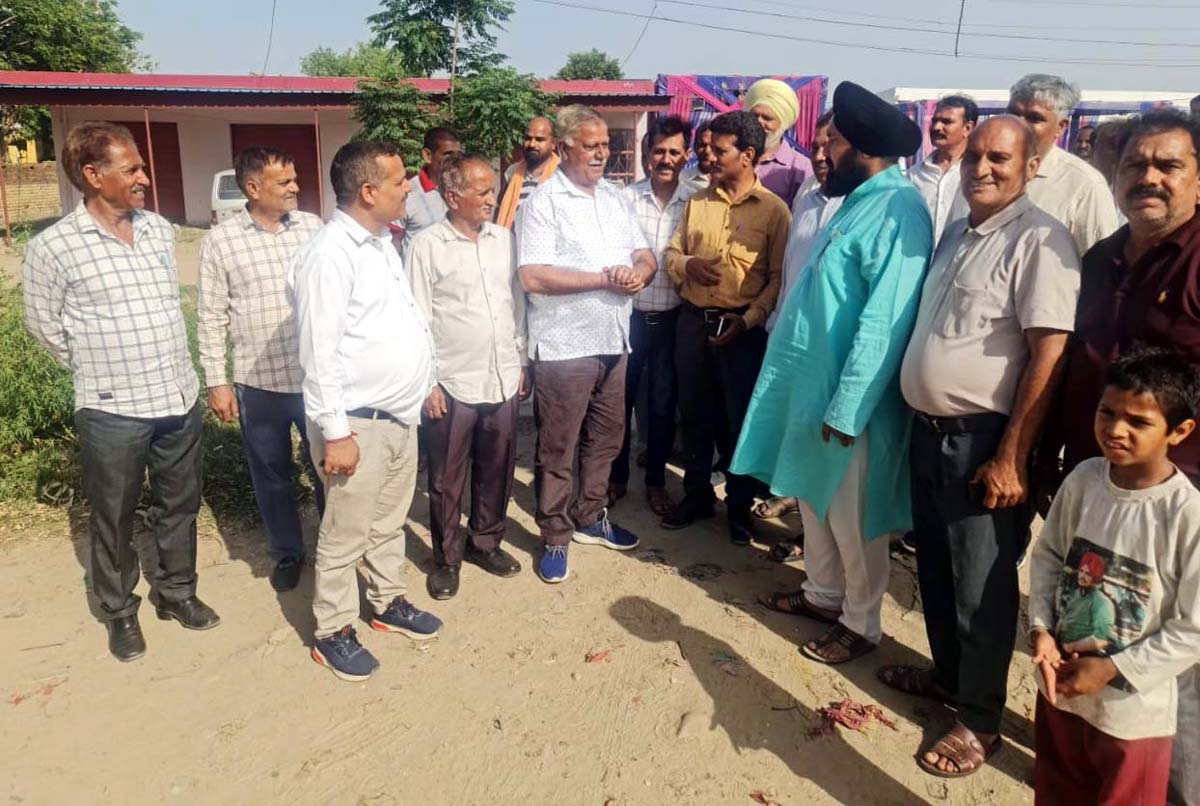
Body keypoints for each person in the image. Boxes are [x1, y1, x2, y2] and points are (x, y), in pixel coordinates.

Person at [880, 115, 1081, 778]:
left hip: (983, 443)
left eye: (1000, 159)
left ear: (1029, 168)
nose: (983, 170)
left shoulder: (1041, 241)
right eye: (974, 159)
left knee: (982, 590)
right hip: (930, 436)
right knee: (934, 571)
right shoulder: (958, 232)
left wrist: (1012, 454)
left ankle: (980, 721)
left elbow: (1049, 349)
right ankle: (949, 679)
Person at [736, 81, 931, 665]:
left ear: (864, 148)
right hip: (812, 388)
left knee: (853, 517)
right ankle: (821, 595)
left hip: (853, 403)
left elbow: (884, 321)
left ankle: (860, 622)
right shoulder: (857, 200)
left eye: (833, 142)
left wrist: (848, 408)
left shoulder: (900, 209)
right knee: (814, 501)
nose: (822, 153)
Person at [1037, 108, 1200, 805]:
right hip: (1099, 489)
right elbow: (1074, 364)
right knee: (1091, 626)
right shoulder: (1102, 258)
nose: (1150, 178)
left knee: (1176, 684)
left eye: (1169, 165)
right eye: (1136, 165)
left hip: (1181, 501)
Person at [23, 122, 219, 662]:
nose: (144, 177)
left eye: (140, 166)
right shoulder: (55, 247)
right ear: (92, 175)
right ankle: (119, 612)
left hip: (176, 396)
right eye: (130, 168)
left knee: (180, 504)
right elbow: (44, 327)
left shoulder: (157, 229)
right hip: (112, 408)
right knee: (114, 514)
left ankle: (177, 591)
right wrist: (97, 366)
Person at [290, 141, 443, 682]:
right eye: (401, 180)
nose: (410, 187)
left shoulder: (380, 243)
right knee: (345, 531)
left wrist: (422, 383)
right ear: (368, 191)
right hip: (356, 423)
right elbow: (319, 353)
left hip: (398, 417)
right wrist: (336, 434)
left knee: (386, 522)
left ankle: (387, 602)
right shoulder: (329, 254)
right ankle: (332, 630)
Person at [1030, 350, 1200, 806]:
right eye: (1107, 413)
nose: (1115, 429)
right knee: (1055, 788)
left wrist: (1112, 669)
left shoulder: (1186, 514)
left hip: (1133, 716)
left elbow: (1193, 628)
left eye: (1139, 422)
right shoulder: (1085, 479)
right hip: (1060, 690)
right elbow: (1048, 556)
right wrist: (1041, 628)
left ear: (1179, 431)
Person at [516, 104, 656, 584]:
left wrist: (638, 272)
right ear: (563, 147)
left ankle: (590, 516)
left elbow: (643, 254)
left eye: (606, 145)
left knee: (606, 439)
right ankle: (554, 533)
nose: (603, 153)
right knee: (558, 448)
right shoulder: (543, 203)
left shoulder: (614, 199)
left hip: (614, 342)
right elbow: (532, 275)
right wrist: (602, 278)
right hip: (564, 347)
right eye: (592, 145)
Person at [197, 146, 325, 593]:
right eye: (284, 182)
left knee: (328, 465)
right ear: (253, 188)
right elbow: (211, 315)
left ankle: (335, 547)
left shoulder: (313, 228)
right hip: (260, 380)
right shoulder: (221, 241)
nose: (295, 187)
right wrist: (216, 380)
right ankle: (288, 552)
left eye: (294, 179)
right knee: (272, 474)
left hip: (315, 378)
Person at [660, 111, 791, 544]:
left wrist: (749, 319)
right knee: (694, 415)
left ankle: (738, 508)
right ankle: (696, 495)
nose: (709, 157)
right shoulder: (697, 202)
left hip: (742, 332)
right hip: (693, 326)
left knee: (738, 423)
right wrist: (688, 266)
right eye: (710, 149)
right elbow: (671, 255)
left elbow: (777, 279)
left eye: (720, 150)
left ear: (748, 155)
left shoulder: (775, 212)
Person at [408, 154, 530, 600]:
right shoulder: (426, 246)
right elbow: (417, 317)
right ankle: (446, 558)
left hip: (501, 375)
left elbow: (515, 303)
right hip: (452, 382)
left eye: (492, 189)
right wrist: (428, 382)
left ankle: (486, 541)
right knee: (445, 477)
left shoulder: (504, 240)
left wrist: (521, 360)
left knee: (497, 466)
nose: (491, 198)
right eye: (481, 191)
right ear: (453, 196)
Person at [755, 109, 843, 562]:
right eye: (819, 145)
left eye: (831, 145)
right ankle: (810, 544)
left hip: (832, 354)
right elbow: (790, 269)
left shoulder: (865, 205)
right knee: (799, 447)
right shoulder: (808, 194)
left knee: (828, 462)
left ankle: (819, 555)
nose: (821, 154)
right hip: (791, 342)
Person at [607, 115, 698, 517]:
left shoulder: (697, 202)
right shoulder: (623, 201)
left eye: (674, 152)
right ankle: (615, 478)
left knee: (662, 407)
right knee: (618, 404)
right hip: (627, 321)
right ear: (646, 154)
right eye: (658, 150)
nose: (665, 158)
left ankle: (657, 481)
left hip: (672, 323)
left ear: (686, 156)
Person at [1008, 73, 1119, 257]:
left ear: (1061, 127)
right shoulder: (980, 170)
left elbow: (1100, 265)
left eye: (1034, 118)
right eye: (1013, 114)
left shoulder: (1085, 185)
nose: (1019, 124)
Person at [908, 94, 977, 246]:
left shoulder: (977, 174)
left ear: (967, 128)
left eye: (946, 122)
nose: (936, 127)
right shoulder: (915, 175)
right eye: (934, 121)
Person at [743, 78, 814, 205]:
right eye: (754, 116)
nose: (759, 123)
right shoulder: (734, 157)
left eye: (767, 118)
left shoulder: (800, 168)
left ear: (783, 123)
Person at [390, 127, 461, 253]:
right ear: (428, 155)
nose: (454, 160)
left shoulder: (462, 191)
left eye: (457, 155)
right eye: (448, 154)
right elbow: (394, 243)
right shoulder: (407, 194)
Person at [497, 116, 559, 229]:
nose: (532, 144)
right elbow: (499, 210)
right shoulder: (512, 173)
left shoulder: (562, 175)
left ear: (553, 143)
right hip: (510, 243)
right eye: (528, 138)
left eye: (539, 139)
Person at [680, 119, 714, 190]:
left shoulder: (730, 181)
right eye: (702, 145)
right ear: (695, 147)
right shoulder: (682, 180)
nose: (707, 151)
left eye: (712, 146)